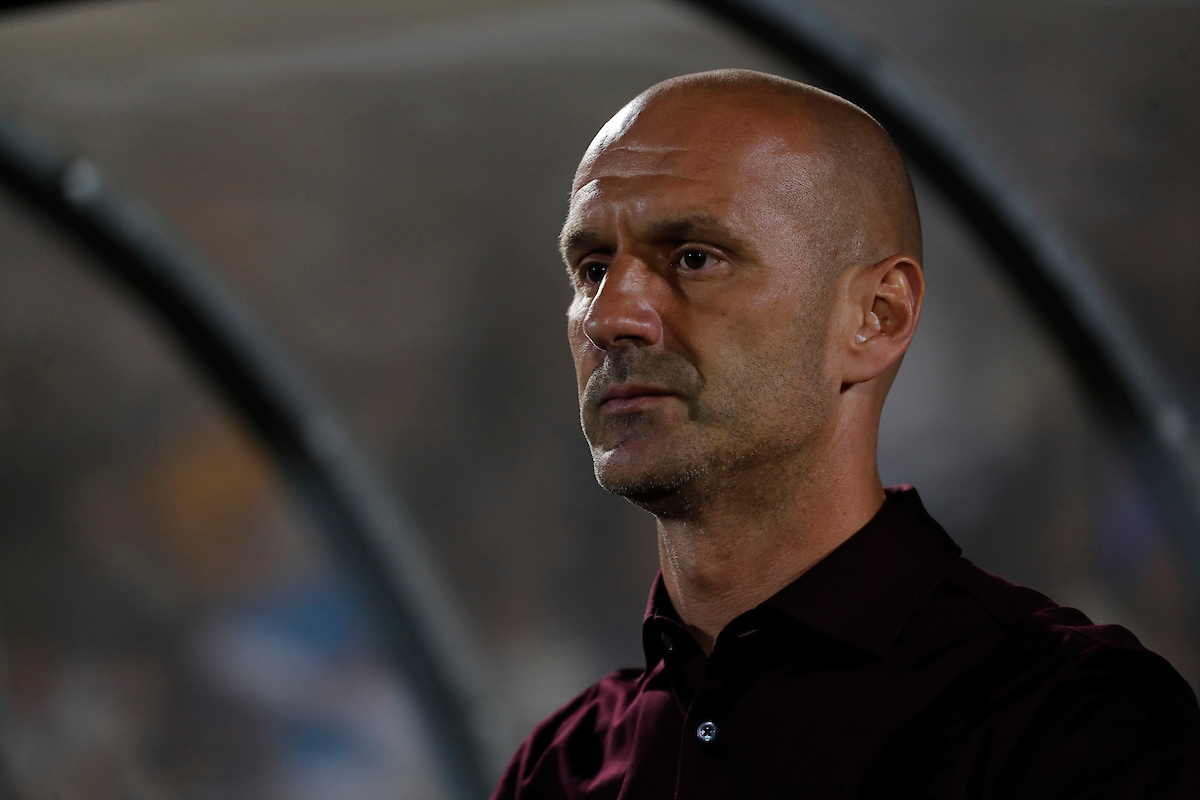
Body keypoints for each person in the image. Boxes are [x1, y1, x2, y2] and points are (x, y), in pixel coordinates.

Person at [490, 70, 1200, 799]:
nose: (609, 317)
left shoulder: (1065, 722)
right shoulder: (560, 767)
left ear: (877, 317)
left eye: (695, 258)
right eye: (593, 269)